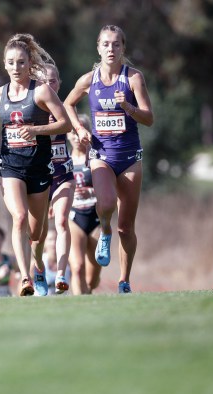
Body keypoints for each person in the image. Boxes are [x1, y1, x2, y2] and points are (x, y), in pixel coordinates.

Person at [63, 25, 154, 293]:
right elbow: (68, 104)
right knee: (104, 204)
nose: (110, 49)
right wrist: (79, 129)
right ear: (98, 48)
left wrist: (128, 107)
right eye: (105, 44)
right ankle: (104, 231)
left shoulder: (133, 78)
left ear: (123, 48)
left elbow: (149, 118)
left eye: (116, 44)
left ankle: (124, 279)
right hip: (101, 155)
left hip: (129, 158)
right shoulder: (88, 80)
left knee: (126, 227)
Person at [0, 33, 71, 296]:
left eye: (21, 62)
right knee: (18, 217)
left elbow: (64, 123)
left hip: (39, 167)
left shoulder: (41, 91)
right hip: (10, 166)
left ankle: (38, 264)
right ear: (4, 64)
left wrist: (37, 129)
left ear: (29, 63)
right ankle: (25, 278)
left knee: (36, 231)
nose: (16, 67)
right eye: (11, 62)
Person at [30, 62, 75, 296]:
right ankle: (37, 273)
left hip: (63, 175)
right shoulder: (32, 109)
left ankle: (60, 275)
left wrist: (83, 135)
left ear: (60, 83)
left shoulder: (66, 109)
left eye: (54, 80)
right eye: (44, 81)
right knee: (37, 233)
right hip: (38, 178)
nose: (49, 84)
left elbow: (79, 127)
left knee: (62, 221)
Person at [68, 114, 102, 295]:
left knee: (92, 279)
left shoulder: (97, 157)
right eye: (72, 133)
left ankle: (89, 293)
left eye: (79, 132)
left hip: (96, 218)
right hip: (74, 217)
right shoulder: (64, 160)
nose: (76, 137)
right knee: (77, 267)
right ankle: (77, 305)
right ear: (67, 135)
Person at [42, 226, 72, 295]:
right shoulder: (38, 262)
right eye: (50, 240)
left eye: (56, 239)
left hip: (63, 303)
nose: (53, 243)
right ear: (45, 243)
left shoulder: (68, 263)